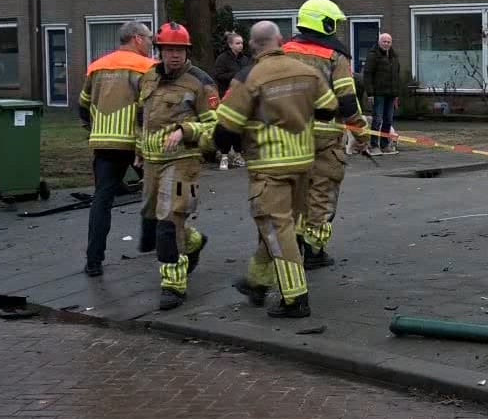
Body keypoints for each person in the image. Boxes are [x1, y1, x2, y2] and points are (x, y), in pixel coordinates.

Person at [214, 21, 338, 319]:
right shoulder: (307, 72)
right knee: (277, 225)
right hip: (303, 163)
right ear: (280, 40)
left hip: (269, 166)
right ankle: (257, 282)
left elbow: (225, 130)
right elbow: (329, 108)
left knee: (276, 228)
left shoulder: (248, 77)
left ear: (253, 46)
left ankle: (295, 298)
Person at [137, 23, 219, 310]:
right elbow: (144, 116)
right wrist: (138, 149)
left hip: (184, 161)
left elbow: (215, 127)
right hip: (151, 161)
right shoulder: (149, 77)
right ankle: (193, 242)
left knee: (169, 220)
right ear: (160, 50)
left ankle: (173, 285)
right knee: (151, 215)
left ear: (186, 52)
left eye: (179, 50)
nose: (173, 55)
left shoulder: (201, 82)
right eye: (169, 49)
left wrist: (186, 130)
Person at [281, 0, 365, 270]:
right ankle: (314, 250)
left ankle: (291, 245)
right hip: (325, 139)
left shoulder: (283, 52)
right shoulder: (334, 57)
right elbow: (347, 100)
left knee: (294, 193)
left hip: (288, 137)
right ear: (324, 23)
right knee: (322, 192)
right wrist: (361, 134)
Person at [79, 21, 155, 277]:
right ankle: (150, 242)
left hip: (103, 142)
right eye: (149, 38)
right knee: (153, 190)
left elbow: (83, 104)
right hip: (135, 143)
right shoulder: (147, 67)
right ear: (137, 39)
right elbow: (148, 109)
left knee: (102, 200)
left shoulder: (97, 66)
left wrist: (93, 127)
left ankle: (93, 261)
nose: (151, 43)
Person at [211, 32, 252, 171]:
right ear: (230, 45)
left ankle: (238, 154)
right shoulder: (222, 59)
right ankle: (224, 155)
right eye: (237, 43)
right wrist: (235, 76)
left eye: (241, 43)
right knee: (226, 127)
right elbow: (217, 75)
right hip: (226, 96)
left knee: (239, 127)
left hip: (242, 97)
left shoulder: (245, 59)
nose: (241, 46)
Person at [362, 31, 403, 154]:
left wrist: (396, 94)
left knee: (388, 120)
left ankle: (385, 145)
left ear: (391, 43)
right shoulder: (373, 55)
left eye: (388, 42)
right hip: (378, 93)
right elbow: (367, 75)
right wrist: (370, 93)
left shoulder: (394, 57)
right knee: (377, 120)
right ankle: (374, 145)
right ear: (379, 42)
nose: (386, 44)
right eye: (384, 41)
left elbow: (396, 75)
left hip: (391, 94)